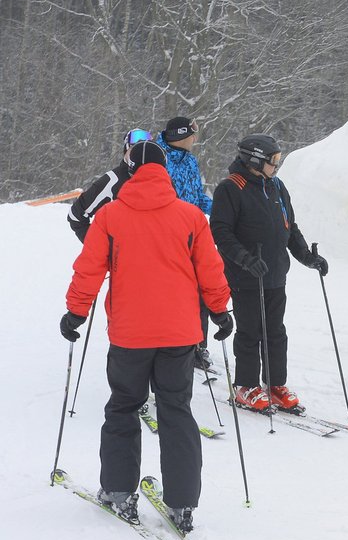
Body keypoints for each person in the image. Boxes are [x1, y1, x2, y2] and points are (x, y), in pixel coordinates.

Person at [60, 141, 232, 534]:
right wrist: (221, 310)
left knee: (123, 407)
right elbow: (211, 269)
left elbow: (89, 269)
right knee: (176, 411)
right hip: (179, 335)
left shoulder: (110, 216)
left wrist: (76, 311)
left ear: (132, 171)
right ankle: (183, 502)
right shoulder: (190, 217)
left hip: (130, 334)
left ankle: (119, 491)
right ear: (164, 172)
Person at [209, 134, 328, 412]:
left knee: (275, 332)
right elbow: (221, 232)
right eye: (273, 161)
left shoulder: (276, 186)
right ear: (254, 160)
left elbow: (290, 227)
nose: (277, 165)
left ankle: (275, 384)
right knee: (250, 331)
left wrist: (308, 258)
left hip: (275, 273)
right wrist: (245, 260)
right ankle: (246, 386)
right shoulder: (230, 188)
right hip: (246, 276)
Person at [156, 115, 214, 371]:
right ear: (182, 135)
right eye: (193, 133)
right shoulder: (159, 159)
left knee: (201, 291)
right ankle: (168, 344)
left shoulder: (190, 160)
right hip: (166, 239)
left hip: (193, 236)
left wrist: (220, 208)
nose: (195, 138)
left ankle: (198, 347)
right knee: (173, 294)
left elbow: (197, 198)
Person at [67, 128, 154, 242]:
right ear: (126, 151)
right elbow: (76, 215)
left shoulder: (163, 181)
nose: (139, 156)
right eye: (134, 149)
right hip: (122, 258)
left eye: (146, 151)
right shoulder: (113, 180)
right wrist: (101, 248)